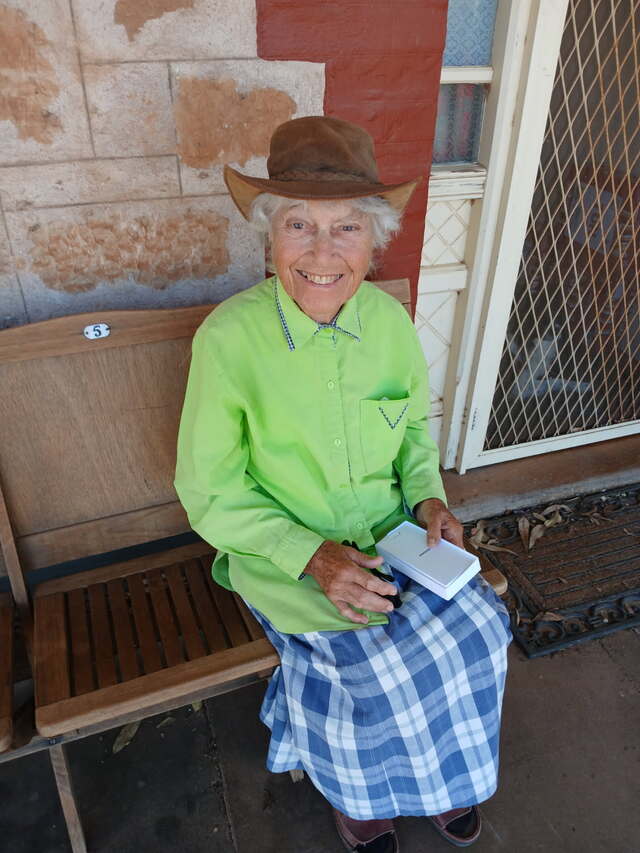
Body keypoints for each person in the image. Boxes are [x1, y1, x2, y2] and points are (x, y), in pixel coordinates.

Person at [174, 115, 511, 851]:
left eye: (347, 228)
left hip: (394, 535)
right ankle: (361, 799)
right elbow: (210, 492)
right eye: (299, 224)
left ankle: (445, 777)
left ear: (374, 239)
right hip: (286, 557)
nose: (322, 252)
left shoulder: (388, 321)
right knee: (377, 673)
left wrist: (428, 497)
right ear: (270, 236)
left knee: (482, 631)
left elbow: (412, 430)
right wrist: (312, 556)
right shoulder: (228, 340)